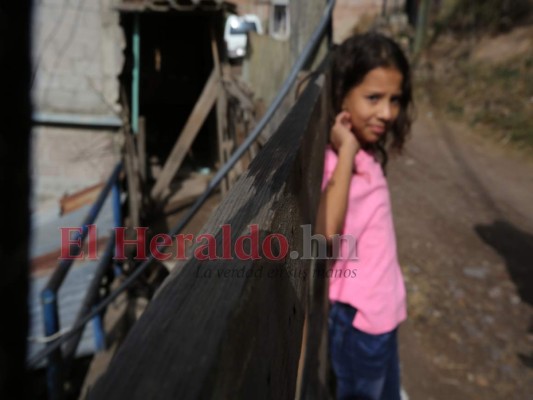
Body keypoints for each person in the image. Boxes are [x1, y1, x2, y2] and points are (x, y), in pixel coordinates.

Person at [315, 32, 414, 400]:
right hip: (360, 323)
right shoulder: (337, 161)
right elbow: (325, 231)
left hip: (384, 312)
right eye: (373, 98)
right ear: (342, 94)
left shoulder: (368, 152)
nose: (387, 113)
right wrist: (346, 152)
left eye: (394, 100)